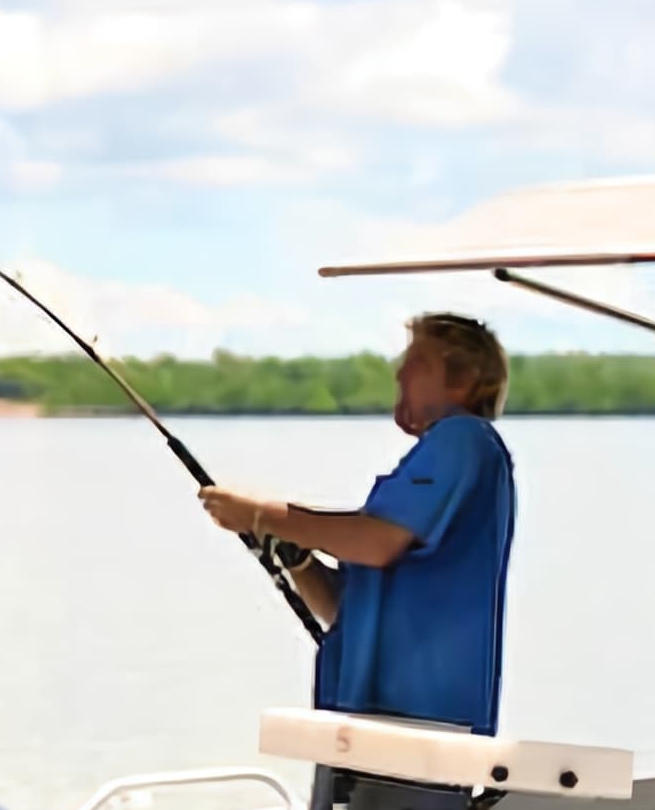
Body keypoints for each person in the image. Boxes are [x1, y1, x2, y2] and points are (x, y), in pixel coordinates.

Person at [198, 310, 516, 735]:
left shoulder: (463, 439)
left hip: (422, 729)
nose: (400, 374)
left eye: (418, 363)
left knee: (369, 807)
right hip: (368, 726)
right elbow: (341, 609)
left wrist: (260, 514)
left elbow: (375, 543)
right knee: (343, 808)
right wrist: (298, 558)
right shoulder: (440, 460)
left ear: (463, 381)